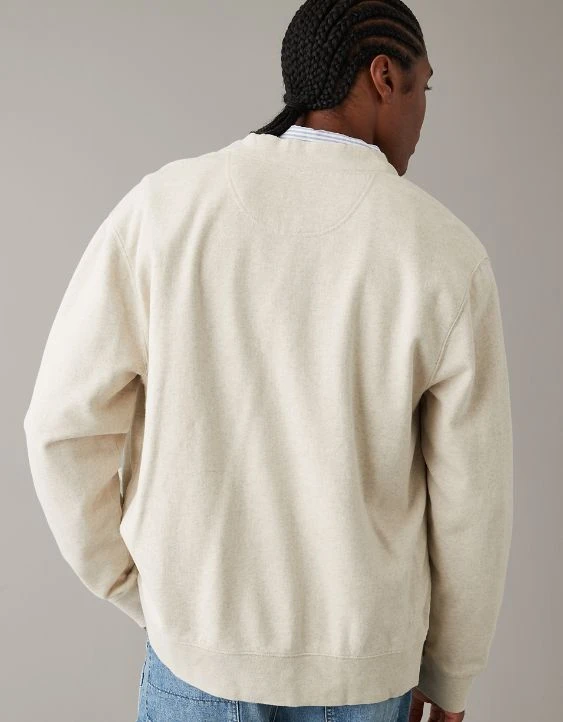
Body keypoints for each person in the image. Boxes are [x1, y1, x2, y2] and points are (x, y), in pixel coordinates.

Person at [23, 1, 513, 721]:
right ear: (384, 77)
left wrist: (142, 591)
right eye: (423, 86)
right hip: (364, 676)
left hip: (196, 664)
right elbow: (474, 502)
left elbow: (61, 430)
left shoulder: (163, 212)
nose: (422, 114)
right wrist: (450, 677)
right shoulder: (443, 254)